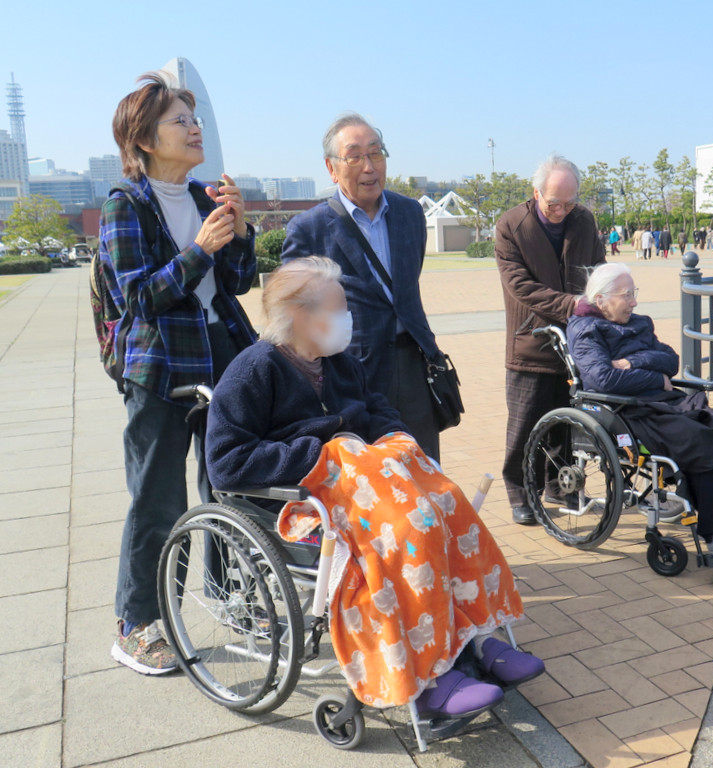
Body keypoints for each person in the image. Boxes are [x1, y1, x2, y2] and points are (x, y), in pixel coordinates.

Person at [206, 257, 544, 717]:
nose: (349, 317)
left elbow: (379, 410)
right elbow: (225, 463)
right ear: (301, 315)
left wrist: (394, 438)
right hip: (306, 501)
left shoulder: (340, 361)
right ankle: (428, 680)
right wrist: (321, 456)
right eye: (339, 307)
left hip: (371, 485)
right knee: (406, 534)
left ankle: (474, 639)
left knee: (447, 506)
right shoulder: (254, 369)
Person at [99, 72, 258, 674]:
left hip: (224, 351)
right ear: (143, 138)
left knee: (227, 487)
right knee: (157, 499)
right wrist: (201, 251)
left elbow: (237, 283)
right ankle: (138, 623)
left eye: (193, 119)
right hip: (160, 367)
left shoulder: (202, 198)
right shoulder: (126, 206)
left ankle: (230, 598)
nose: (193, 129)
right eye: (179, 120)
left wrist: (238, 233)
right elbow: (139, 298)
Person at [567, 263, 713, 558]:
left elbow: (670, 359)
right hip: (629, 411)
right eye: (626, 295)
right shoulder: (586, 329)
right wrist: (656, 378)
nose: (634, 302)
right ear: (601, 299)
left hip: (664, 403)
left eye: (634, 294)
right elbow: (603, 378)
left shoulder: (639, 322)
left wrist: (633, 362)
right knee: (697, 439)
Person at [282, 113, 442, 460]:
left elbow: (406, 284)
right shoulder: (308, 229)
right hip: (351, 372)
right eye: (355, 156)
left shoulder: (410, 213)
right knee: (367, 475)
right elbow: (293, 309)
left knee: (423, 465)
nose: (369, 166)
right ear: (332, 168)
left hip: (414, 363)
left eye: (376, 153)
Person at [495, 155, 605, 525]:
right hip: (531, 342)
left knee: (569, 424)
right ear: (536, 192)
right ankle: (521, 492)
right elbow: (520, 286)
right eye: (553, 203)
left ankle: (560, 486)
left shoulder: (584, 221)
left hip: (577, 342)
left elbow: (598, 270)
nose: (561, 211)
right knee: (525, 426)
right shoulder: (512, 225)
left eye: (569, 203)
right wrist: (571, 305)